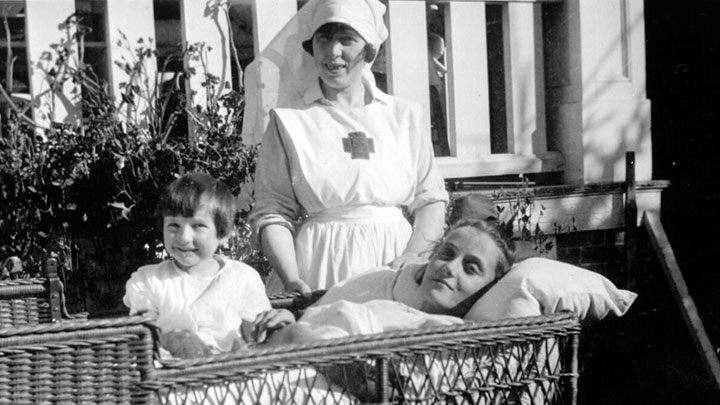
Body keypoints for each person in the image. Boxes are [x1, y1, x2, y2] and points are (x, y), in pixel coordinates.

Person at [250, 0, 449, 295]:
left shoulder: (404, 116)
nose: (334, 52)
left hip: (395, 261)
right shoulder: (290, 121)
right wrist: (292, 279)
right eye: (324, 39)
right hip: (319, 264)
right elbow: (273, 212)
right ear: (311, 46)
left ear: (369, 48)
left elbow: (431, 199)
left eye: (347, 39)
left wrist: (414, 256)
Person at [249, 218, 515, 345]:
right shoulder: (385, 291)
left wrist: (302, 339)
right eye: (446, 254)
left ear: (487, 291)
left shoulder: (455, 338)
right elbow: (316, 318)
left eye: (471, 268)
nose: (449, 268)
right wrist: (290, 320)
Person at [123, 172, 271, 359]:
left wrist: (272, 326)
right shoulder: (150, 281)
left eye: (198, 226)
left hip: (230, 373)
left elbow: (257, 335)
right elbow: (143, 337)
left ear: (223, 234)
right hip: (172, 377)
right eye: (174, 226)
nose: (184, 238)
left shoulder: (242, 277)